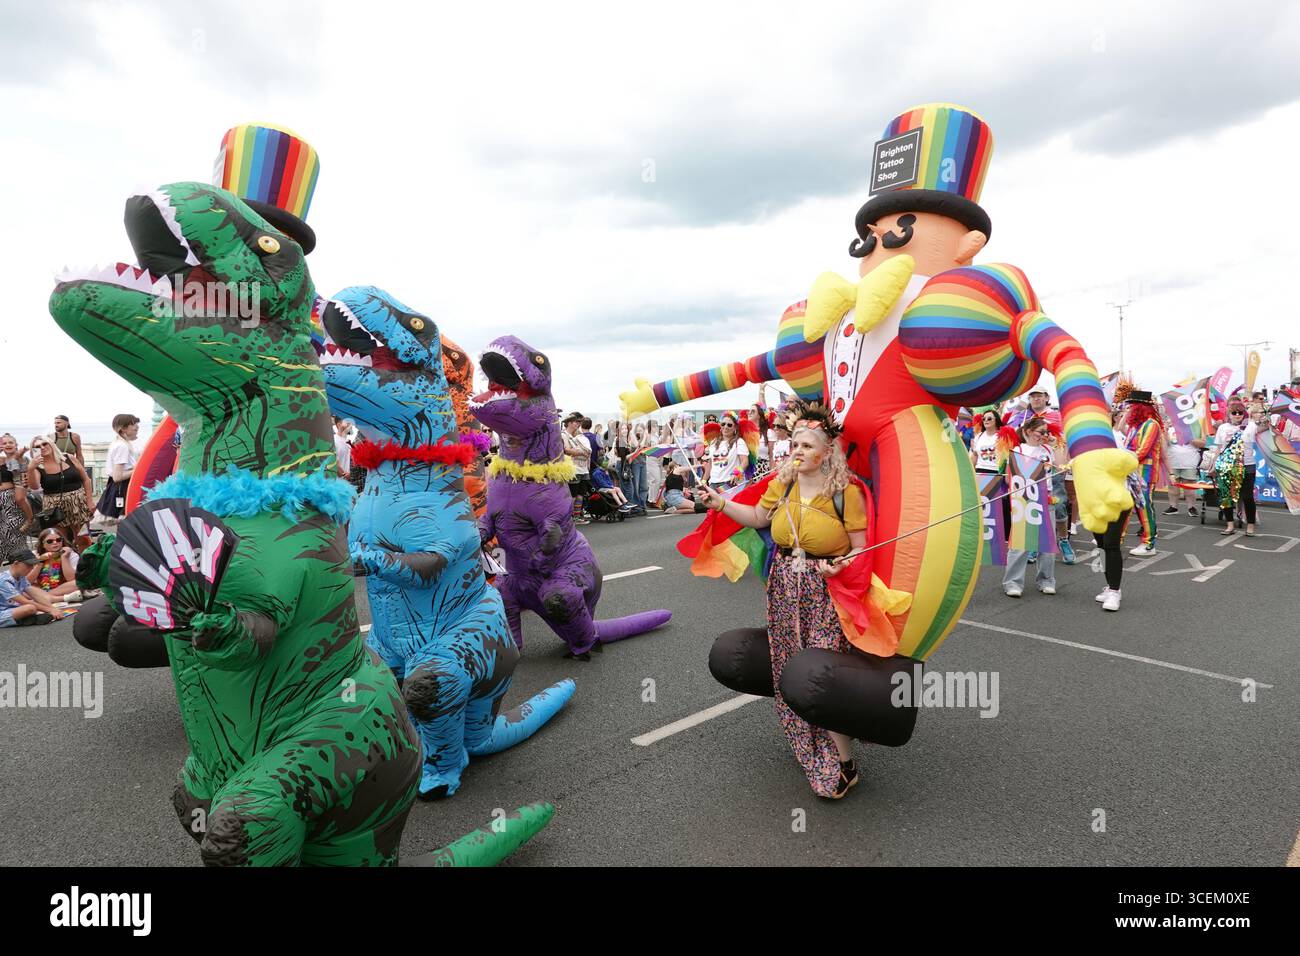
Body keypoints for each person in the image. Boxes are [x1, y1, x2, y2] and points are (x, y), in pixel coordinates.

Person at [697, 407, 870, 799]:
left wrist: (841, 566)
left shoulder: (847, 491)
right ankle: (812, 744)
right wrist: (721, 503)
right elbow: (759, 516)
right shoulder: (784, 483)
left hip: (826, 590)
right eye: (794, 443)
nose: (797, 450)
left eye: (807, 445)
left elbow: (862, 548)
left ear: (827, 452)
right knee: (789, 664)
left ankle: (845, 763)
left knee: (822, 670)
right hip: (784, 586)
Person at [1001, 416, 1057, 598]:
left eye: (1046, 432)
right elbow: (1009, 478)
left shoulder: (1048, 449)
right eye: (1041, 432)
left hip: (1046, 499)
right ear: (1027, 432)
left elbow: (1060, 466)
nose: (1044, 436)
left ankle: (1046, 580)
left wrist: (1056, 444)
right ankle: (1013, 582)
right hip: (1024, 500)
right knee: (1020, 543)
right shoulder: (1017, 450)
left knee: (1047, 544)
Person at [27, 435, 94, 547]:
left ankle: (86, 563)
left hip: (78, 504)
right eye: (37, 447)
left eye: (45, 444)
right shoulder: (38, 467)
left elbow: (86, 480)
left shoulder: (68, 458)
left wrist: (90, 501)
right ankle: (65, 563)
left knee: (84, 539)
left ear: (51, 444)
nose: (42, 447)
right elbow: (34, 486)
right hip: (54, 508)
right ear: (34, 451)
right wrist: (30, 469)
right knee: (60, 542)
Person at [1211, 399, 1264, 537]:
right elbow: (1218, 449)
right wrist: (1213, 465)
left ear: (1244, 413)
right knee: (1226, 496)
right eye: (1234, 412)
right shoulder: (1223, 428)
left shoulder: (1251, 426)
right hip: (1226, 466)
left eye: (1240, 412)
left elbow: (1265, 426)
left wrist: (1262, 414)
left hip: (1247, 465)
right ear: (1229, 414)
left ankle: (1250, 526)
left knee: (1247, 497)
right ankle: (1230, 525)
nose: (1237, 415)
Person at [1123, 391, 1165, 556]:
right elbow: (1127, 447)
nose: (1129, 409)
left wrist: (1122, 459)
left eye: (1132, 406)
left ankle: (1149, 543)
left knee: (1144, 506)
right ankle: (1116, 538)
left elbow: (1143, 451)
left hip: (1145, 472)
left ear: (1140, 407)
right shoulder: (1135, 426)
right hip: (1130, 470)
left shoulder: (1151, 424)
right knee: (1125, 505)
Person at [96, 413, 141, 524]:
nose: (137, 427)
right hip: (123, 487)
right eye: (133, 424)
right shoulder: (122, 446)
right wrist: (139, 469)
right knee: (126, 524)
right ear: (123, 429)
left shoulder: (119, 443)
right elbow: (118, 476)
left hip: (117, 487)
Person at [1, 550, 64, 627]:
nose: (31, 568)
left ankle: (26, 619)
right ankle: (24, 620)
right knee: (30, 608)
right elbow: (24, 601)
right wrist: (50, 610)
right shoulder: (4, 580)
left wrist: (53, 608)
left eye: (33, 565)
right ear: (16, 563)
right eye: (28, 565)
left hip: (12, 609)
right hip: (2, 612)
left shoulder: (21, 576)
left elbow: (35, 595)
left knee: (31, 607)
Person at [1163, 420, 1204, 518]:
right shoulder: (1170, 427)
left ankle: (1191, 507)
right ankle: (1173, 507)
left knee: (1189, 488)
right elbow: (1167, 443)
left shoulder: (1195, 427)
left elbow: (1202, 443)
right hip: (1173, 461)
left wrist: (1188, 437)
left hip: (1190, 462)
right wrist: (1164, 431)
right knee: (1173, 487)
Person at [29, 528, 83, 600]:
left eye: (58, 540)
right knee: (22, 587)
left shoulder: (71, 554)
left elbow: (72, 579)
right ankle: (57, 598)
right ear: (43, 544)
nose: (55, 543)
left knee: (77, 584)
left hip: (62, 588)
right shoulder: (35, 555)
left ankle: (45, 597)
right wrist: (40, 562)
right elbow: (27, 581)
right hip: (41, 588)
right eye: (50, 541)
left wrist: (65, 558)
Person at [561, 412, 593, 524]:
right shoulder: (564, 435)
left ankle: (577, 517)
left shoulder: (577, 436)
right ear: (569, 423)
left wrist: (583, 453)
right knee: (573, 495)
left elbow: (588, 452)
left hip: (583, 468)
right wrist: (581, 452)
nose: (578, 424)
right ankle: (569, 517)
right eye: (576, 422)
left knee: (580, 495)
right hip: (573, 469)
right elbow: (567, 450)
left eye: (579, 422)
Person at [704, 413, 750, 490]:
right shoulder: (713, 442)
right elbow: (710, 464)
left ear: (735, 427)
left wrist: (736, 473)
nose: (725, 427)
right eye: (723, 424)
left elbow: (745, 461)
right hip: (713, 484)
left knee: (726, 502)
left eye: (729, 425)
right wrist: (703, 480)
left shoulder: (739, 442)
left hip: (729, 483)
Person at [0, 456, 32, 563]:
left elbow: (22, 482)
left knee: (17, 542)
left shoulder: (9, 461)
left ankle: (25, 574)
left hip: (11, 506)